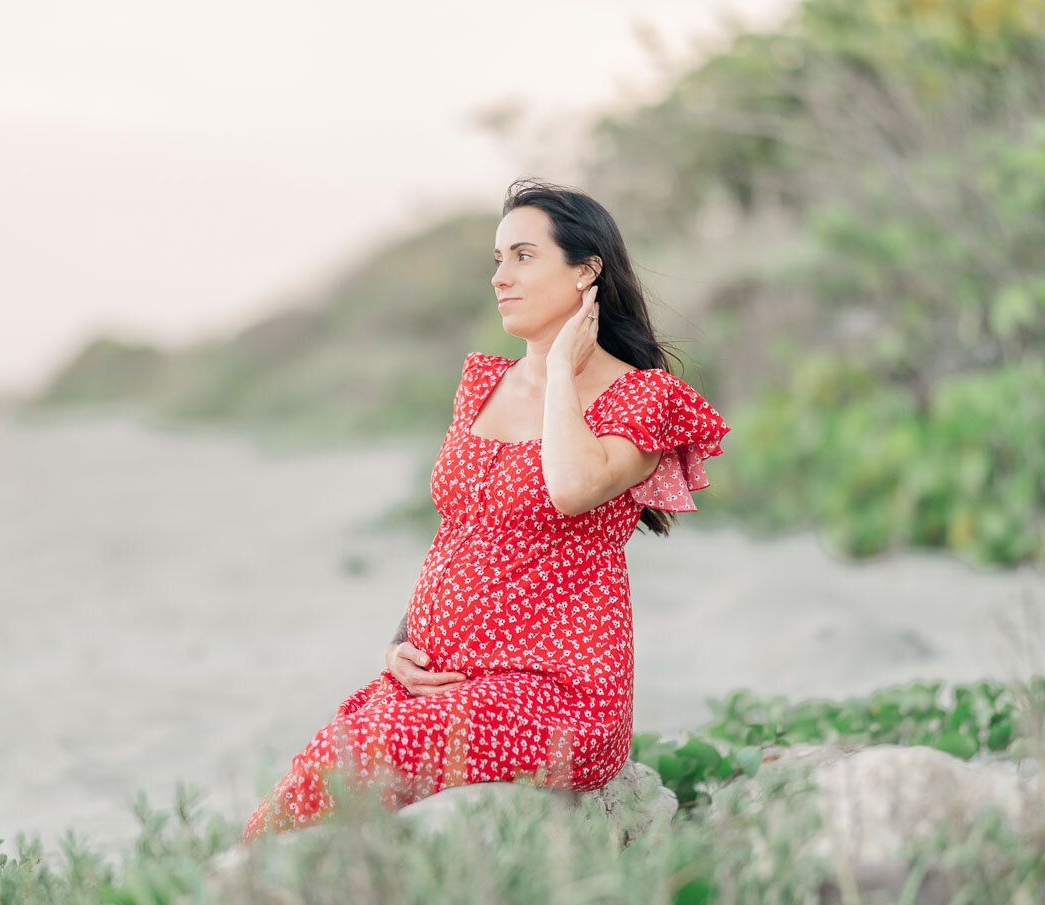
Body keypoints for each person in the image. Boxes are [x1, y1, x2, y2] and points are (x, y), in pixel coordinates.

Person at [240, 178, 730, 843]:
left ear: (587, 270)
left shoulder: (641, 399)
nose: (501, 276)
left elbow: (571, 486)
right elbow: (460, 531)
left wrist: (561, 371)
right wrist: (402, 640)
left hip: (557, 695)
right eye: (497, 260)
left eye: (524, 256)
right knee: (320, 763)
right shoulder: (482, 384)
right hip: (444, 678)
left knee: (358, 758)